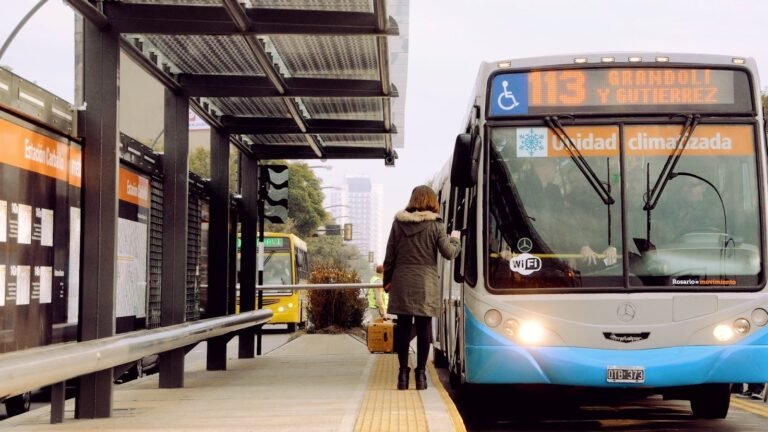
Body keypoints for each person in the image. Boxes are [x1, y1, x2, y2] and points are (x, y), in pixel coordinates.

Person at [383, 185, 461, 391]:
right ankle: (420, 376)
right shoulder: (436, 225)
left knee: (403, 327)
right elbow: (450, 253)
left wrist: (387, 281)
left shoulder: (398, 224)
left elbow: (390, 255)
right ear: (432, 201)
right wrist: (455, 239)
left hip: (402, 280)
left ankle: (402, 374)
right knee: (424, 327)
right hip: (425, 282)